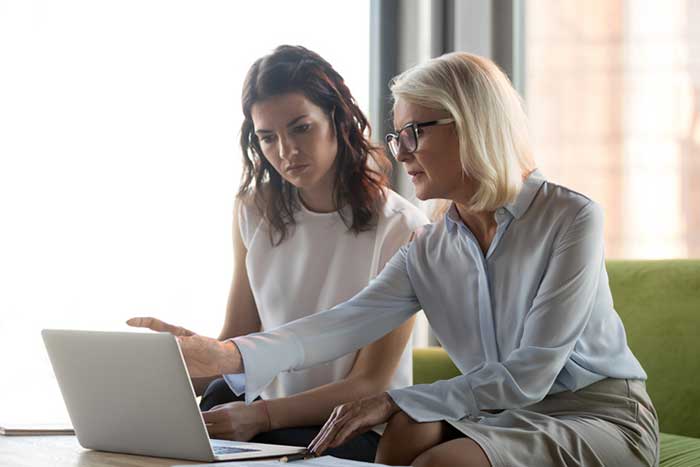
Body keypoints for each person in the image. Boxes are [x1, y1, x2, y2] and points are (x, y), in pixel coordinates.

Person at [171, 51, 660, 467]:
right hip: (499, 413)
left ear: (472, 124)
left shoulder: (570, 217)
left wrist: (390, 400)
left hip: (597, 412)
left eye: (415, 133)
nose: (401, 153)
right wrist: (229, 356)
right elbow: (339, 325)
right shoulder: (429, 248)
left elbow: (530, 374)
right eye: (396, 136)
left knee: (440, 459)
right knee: (405, 434)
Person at [127, 45, 429, 462]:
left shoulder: (403, 228)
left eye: (301, 128)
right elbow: (239, 341)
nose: (286, 151)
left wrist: (262, 417)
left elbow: (370, 383)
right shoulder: (254, 209)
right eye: (267, 137)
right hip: (260, 420)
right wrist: (179, 362)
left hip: (344, 430)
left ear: (338, 121)